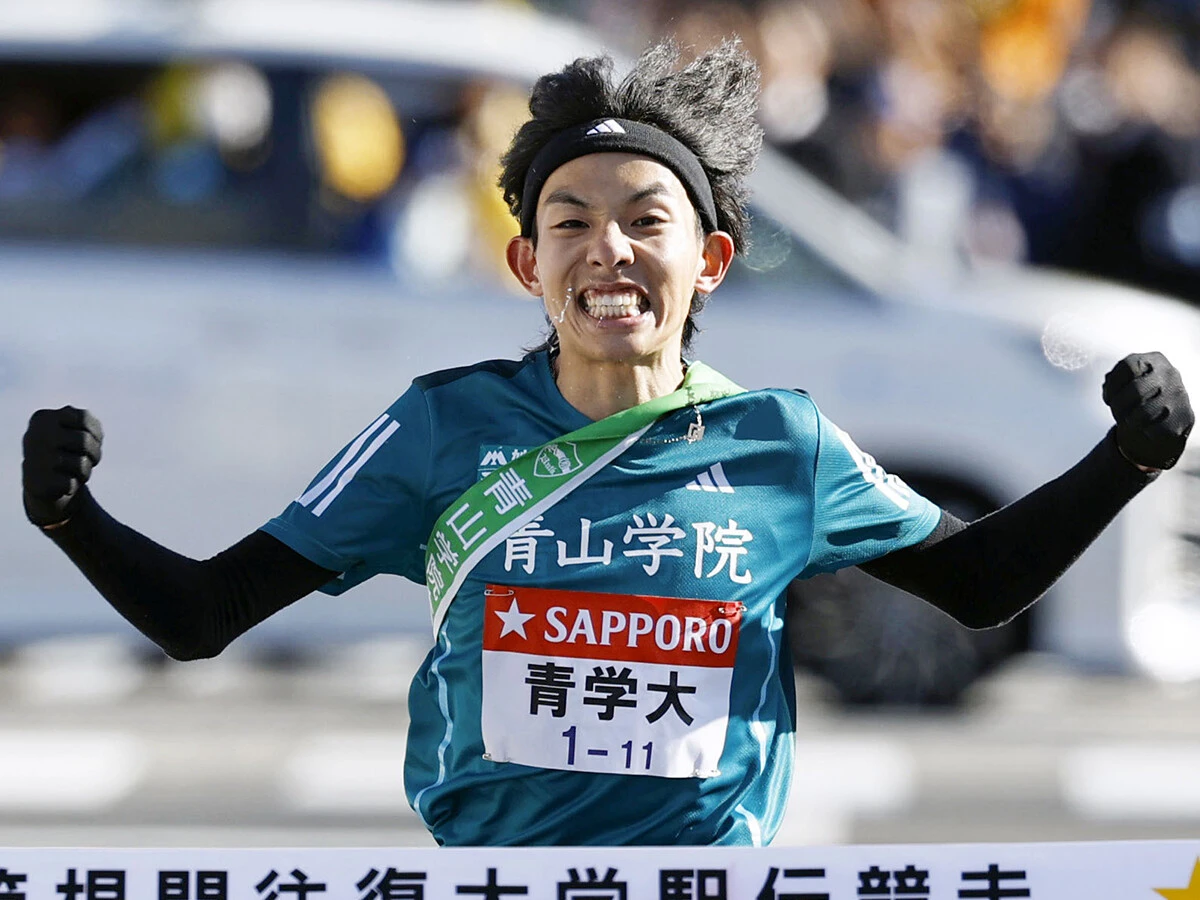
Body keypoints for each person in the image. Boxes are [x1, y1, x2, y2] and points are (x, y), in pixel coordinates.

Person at [20, 41, 1194, 847]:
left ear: (710, 263)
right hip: (493, 878)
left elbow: (980, 586)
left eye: (647, 222)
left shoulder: (778, 440)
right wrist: (75, 518)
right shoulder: (442, 424)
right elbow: (200, 614)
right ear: (528, 265)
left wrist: (1125, 462)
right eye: (570, 224)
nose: (609, 253)